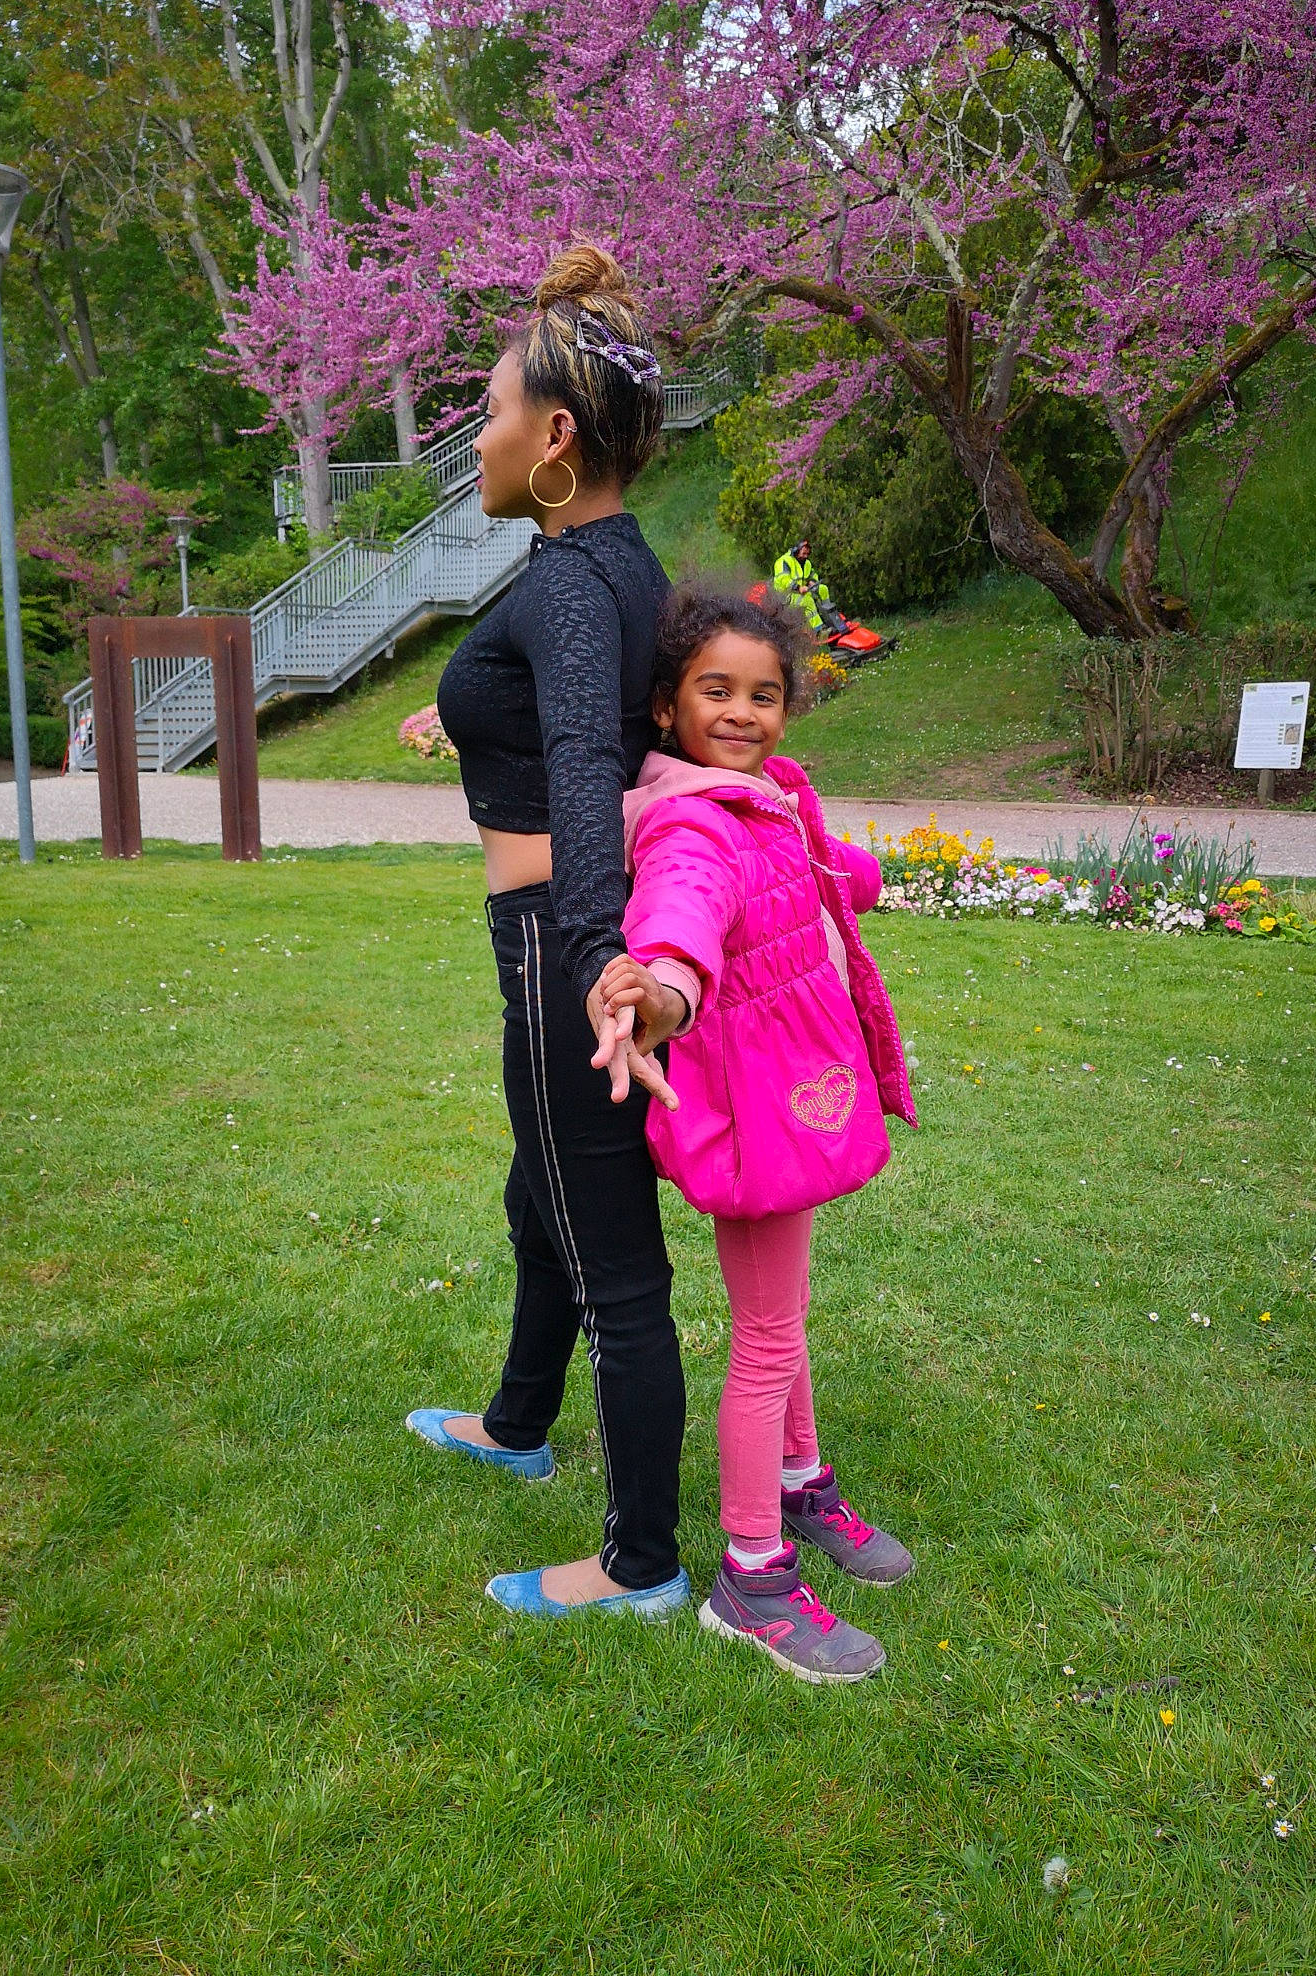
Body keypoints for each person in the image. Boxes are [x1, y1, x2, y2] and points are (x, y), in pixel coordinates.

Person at [407, 243, 694, 1620]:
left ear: (559, 434)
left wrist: (594, 965)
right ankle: (519, 1425)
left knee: (609, 1252)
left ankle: (642, 1562)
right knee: (546, 1194)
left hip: (553, 944)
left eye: (496, 407)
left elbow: (585, 763)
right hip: (554, 933)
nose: (483, 431)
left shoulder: (575, 584)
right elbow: (567, 731)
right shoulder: (608, 564)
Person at [597, 585, 920, 1681]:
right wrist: (662, 995)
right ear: (666, 705)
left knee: (785, 1315)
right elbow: (681, 920)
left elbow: (823, 870)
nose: (743, 711)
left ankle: (802, 1479)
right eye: (716, 690)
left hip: (793, 1092)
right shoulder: (693, 819)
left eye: (766, 693)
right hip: (752, 1105)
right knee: (770, 1334)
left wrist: (869, 875)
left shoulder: (768, 793)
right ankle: (754, 1571)